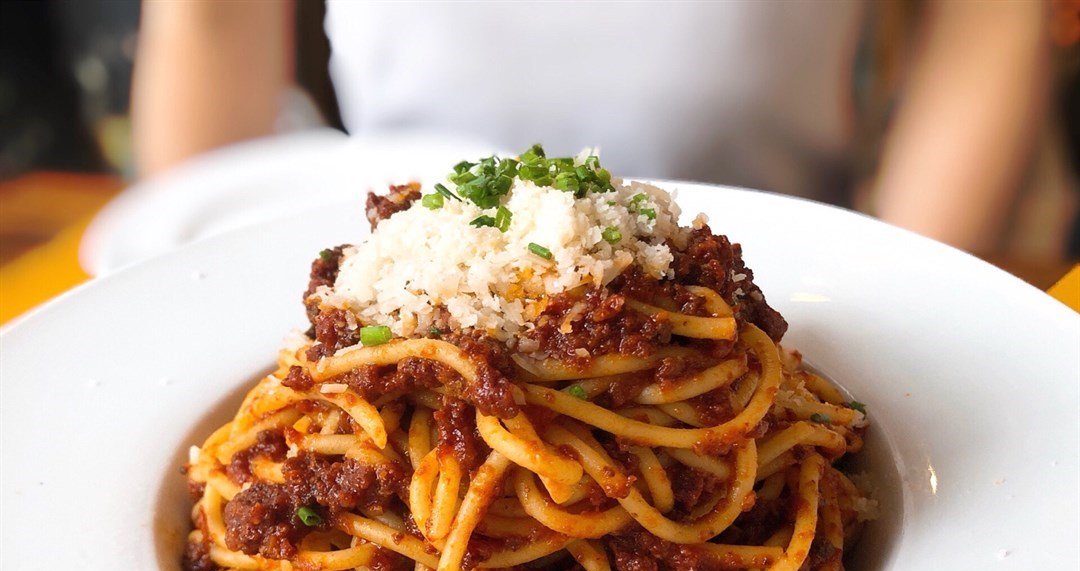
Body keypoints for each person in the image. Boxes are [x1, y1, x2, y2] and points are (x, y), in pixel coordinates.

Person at [131, 0, 1053, 256]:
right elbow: (212, 18)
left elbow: (987, 17)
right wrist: (192, 286)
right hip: (400, 252)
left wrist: (908, 282)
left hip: (783, 257)